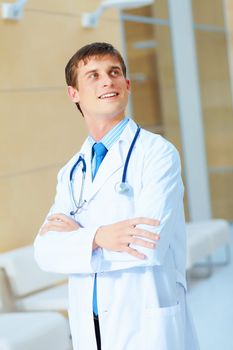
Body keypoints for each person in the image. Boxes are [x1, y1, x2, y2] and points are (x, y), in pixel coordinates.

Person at [34, 42, 199, 350]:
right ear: (74, 94)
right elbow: (44, 252)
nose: (107, 81)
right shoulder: (72, 171)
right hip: (89, 324)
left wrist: (80, 241)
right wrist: (99, 237)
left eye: (114, 72)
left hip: (145, 320)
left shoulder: (157, 153)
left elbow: (148, 245)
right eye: (93, 76)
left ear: (127, 84)